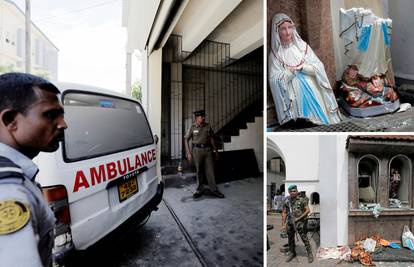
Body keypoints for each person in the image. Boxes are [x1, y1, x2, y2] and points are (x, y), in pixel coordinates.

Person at [0, 72, 67, 267]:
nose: (63, 124)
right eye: (50, 114)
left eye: (62, 115)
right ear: (11, 120)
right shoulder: (8, 191)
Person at [268, 13, 341, 126]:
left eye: (290, 27)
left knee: (318, 113)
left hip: (311, 86)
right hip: (293, 93)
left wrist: (303, 68)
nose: (287, 32)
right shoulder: (275, 55)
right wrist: (288, 74)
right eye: (283, 29)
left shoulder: (302, 47)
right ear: (276, 31)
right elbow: (274, 79)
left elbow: (318, 66)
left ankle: (318, 119)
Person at [184, 110, 224, 199]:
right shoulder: (192, 127)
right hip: (197, 151)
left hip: (208, 150)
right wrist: (188, 152)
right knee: (199, 171)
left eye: (203, 116)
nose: (203, 118)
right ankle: (199, 190)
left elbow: (211, 139)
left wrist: (216, 151)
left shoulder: (207, 126)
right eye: (201, 117)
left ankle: (214, 190)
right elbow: (186, 139)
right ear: (197, 118)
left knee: (210, 170)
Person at [281, 184, 313, 263]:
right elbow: (284, 212)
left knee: (304, 238)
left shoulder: (302, 200)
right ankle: (292, 253)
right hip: (290, 223)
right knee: (290, 239)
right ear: (289, 192)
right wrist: (283, 224)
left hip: (300, 223)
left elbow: (308, 210)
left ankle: (309, 253)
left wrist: (298, 218)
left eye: (294, 191)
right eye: (291, 191)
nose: (293, 193)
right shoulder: (287, 201)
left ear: (297, 191)